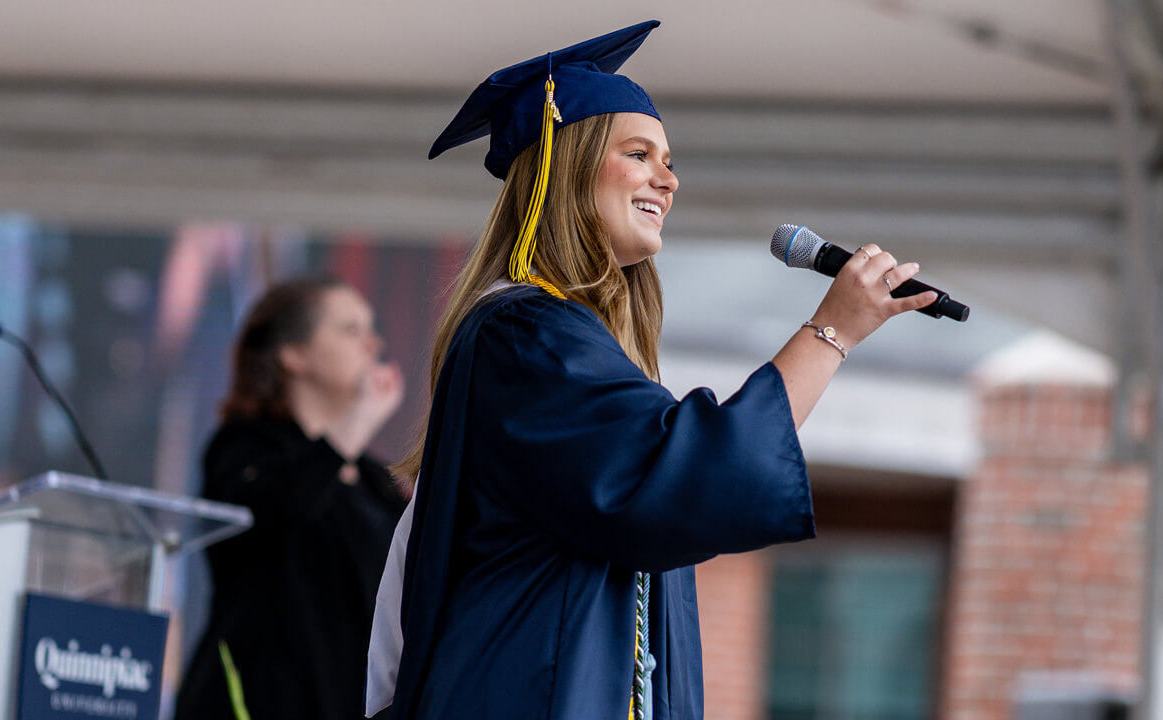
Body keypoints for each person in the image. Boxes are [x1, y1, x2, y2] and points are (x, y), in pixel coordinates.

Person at [366, 20, 938, 720]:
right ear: (567, 166)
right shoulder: (526, 334)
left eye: (667, 160)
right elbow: (677, 477)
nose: (668, 180)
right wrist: (831, 333)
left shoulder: (557, 341)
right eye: (639, 154)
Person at [175, 277, 408, 720]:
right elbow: (280, 508)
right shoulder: (242, 448)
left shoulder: (375, 480)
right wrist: (352, 428)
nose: (373, 343)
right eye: (350, 329)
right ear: (294, 355)